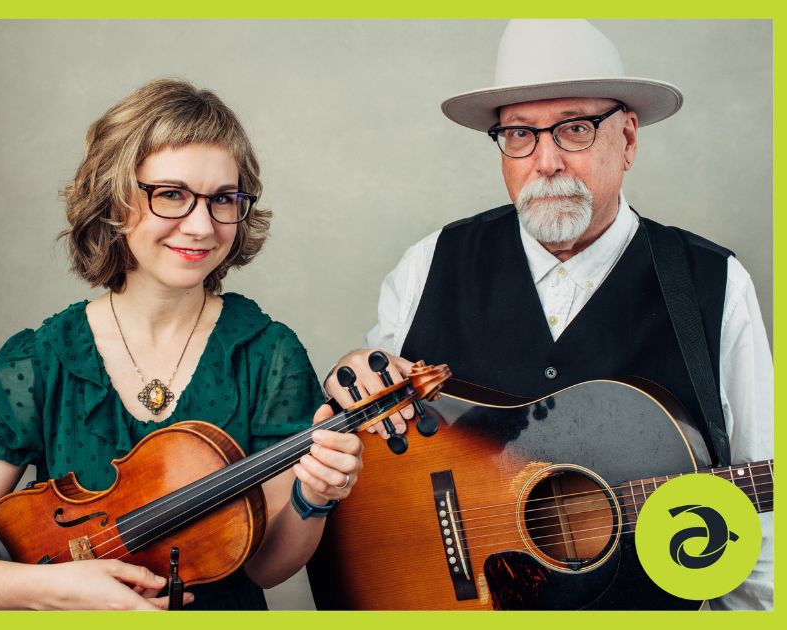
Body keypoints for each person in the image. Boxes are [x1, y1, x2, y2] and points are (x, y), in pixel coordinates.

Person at [325, 20, 772, 610]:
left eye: (576, 129)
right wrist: (358, 383)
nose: (547, 161)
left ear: (629, 139)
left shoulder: (714, 284)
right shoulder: (426, 266)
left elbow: (765, 529)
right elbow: (376, 461)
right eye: (520, 134)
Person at [0, 79, 363, 610]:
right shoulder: (41, 362)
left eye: (223, 199)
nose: (201, 226)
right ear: (114, 197)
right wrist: (50, 591)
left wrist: (312, 497)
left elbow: (266, 568)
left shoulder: (268, 356)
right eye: (172, 194)